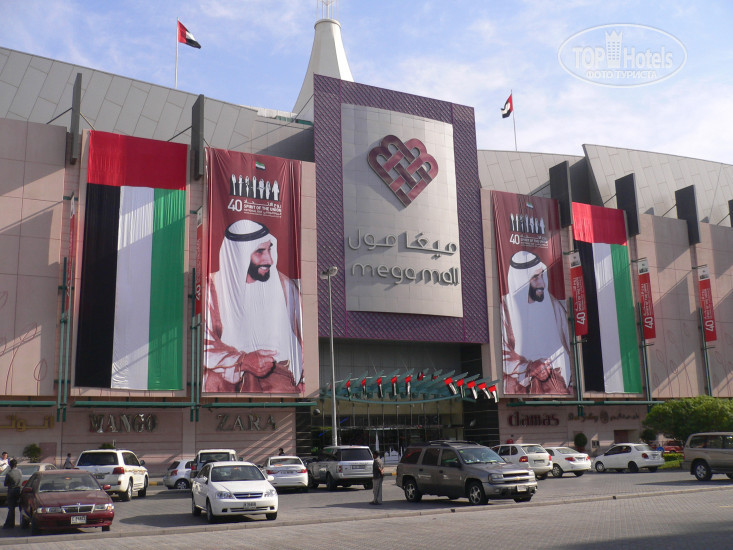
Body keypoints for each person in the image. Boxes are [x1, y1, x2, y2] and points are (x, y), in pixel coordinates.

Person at [205, 220, 304, 393]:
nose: (269, 260)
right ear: (239, 255)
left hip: (278, 379)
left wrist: (303, 377)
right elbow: (205, 343)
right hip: (226, 379)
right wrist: (242, 361)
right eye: (259, 251)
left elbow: (302, 337)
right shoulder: (212, 287)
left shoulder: (285, 287)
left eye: (269, 249)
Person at [502, 250, 572, 395]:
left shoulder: (553, 305)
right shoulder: (505, 308)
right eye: (535, 278)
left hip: (559, 386)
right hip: (520, 389)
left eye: (541, 276)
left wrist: (573, 383)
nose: (542, 283)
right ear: (521, 280)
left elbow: (570, 342)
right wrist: (529, 367)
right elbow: (502, 352)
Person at [3, 459, 21, 529]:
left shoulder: (9, 473)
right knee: (15, 507)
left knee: (11, 508)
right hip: (18, 490)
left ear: (10, 465)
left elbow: (5, 483)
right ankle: (9, 523)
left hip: (11, 491)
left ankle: (10, 524)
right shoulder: (19, 471)